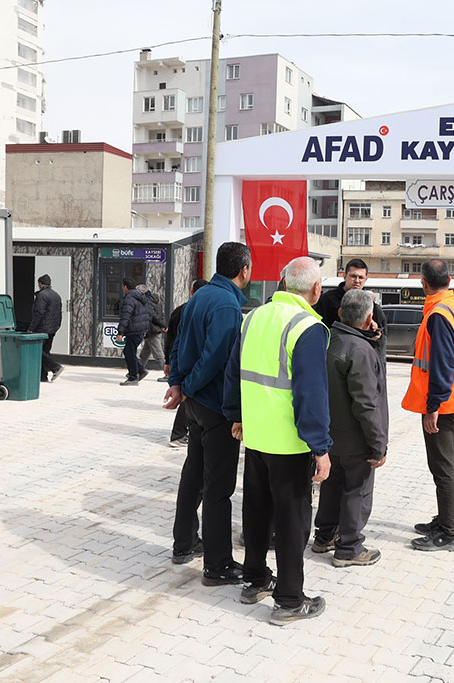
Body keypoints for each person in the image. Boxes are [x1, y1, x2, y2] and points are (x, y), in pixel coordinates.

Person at [228, 256, 332, 625]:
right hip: (290, 444)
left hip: (256, 436)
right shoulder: (308, 327)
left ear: (283, 284)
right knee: (292, 521)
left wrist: (237, 416)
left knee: (256, 512)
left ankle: (254, 580)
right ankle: (289, 600)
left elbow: (234, 372)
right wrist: (320, 447)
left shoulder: (253, 316)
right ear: (315, 290)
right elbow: (312, 395)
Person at [164, 244, 250, 585]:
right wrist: (188, 385)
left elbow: (180, 341)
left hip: (196, 405)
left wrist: (179, 384)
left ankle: (184, 543)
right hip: (215, 406)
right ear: (244, 269)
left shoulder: (200, 296)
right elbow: (215, 357)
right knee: (218, 488)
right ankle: (218, 565)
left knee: (193, 475)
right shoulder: (228, 304)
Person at [403, 259, 454, 552]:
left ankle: (449, 532)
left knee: (443, 466)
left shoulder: (438, 314)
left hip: (444, 403)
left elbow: (442, 363)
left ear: (424, 283)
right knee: (449, 463)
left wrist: (433, 405)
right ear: (449, 280)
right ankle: (447, 519)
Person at [312, 289, 389, 568]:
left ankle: (325, 536)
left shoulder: (327, 339)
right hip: (356, 437)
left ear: (341, 313)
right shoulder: (360, 351)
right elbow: (366, 403)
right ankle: (349, 547)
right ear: (370, 318)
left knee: (332, 486)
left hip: (330, 433)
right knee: (358, 490)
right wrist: (378, 442)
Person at [163, 278, 209, 447]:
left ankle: (183, 432)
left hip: (180, 362)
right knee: (185, 397)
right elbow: (172, 339)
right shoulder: (193, 311)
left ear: (192, 292)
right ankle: (178, 434)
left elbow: (170, 340)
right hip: (188, 364)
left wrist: (168, 361)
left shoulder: (182, 310)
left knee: (187, 399)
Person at [313, 258, 387, 360]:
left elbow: (381, 344)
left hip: (361, 360)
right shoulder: (327, 300)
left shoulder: (373, 308)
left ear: (366, 279)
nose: (357, 281)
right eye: (353, 276)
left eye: (360, 277)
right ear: (344, 276)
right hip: (332, 359)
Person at [116, 278, 152, 386]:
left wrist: (120, 332)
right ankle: (140, 370)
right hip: (140, 330)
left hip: (133, 330)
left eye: (123, 286)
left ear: (125, 287)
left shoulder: (129, 298)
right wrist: (145, 329)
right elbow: (149, 314)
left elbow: (126, 316)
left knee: (129, 353)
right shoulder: (142, 298)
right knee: (130, 352)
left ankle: (133, 377)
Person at [28, 274, 64, 383]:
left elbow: (39, 313)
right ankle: (43, 377)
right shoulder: (56, 295)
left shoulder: (42, 295)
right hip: (53, 328)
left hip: (43, 328)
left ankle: (55, 367)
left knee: (38, 351)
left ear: (40, 283)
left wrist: (31, 328)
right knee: (45, 351)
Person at [137, 285, 169, 372]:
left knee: (158, 354)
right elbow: (160, 314)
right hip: (155, 329)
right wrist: (162, 325)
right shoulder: (155, 300)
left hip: (151, 330)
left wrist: (163, 325)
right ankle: (137, 370)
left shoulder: (146, 302)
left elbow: (152, 316)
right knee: (144, 354)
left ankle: (168, 374)